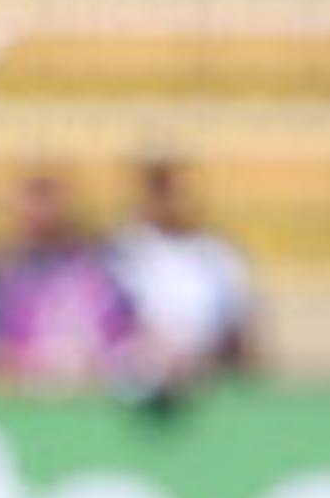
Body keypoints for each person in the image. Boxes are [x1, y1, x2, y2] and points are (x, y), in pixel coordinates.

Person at [110, 151, 259, 416]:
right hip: (136, 383)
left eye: (172, 189)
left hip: (206, 385)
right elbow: (110, 324)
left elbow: (240, 332)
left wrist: (203, 362)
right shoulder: (123, 252)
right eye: (157, 189)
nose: (165, 201)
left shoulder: (218, 255)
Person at [0, 164, 141, 394]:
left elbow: (127, 335)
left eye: (47, 201)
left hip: (94, 394)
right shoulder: (2, 276)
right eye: (33, 202)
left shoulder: (99, 267)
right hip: (28, 397)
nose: (42, 213)